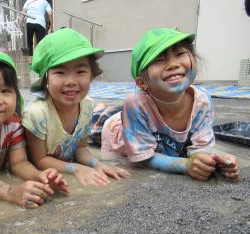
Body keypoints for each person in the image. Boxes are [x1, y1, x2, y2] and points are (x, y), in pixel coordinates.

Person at [101, 28, 239, 181]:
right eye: (159, 60)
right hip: (116, 130)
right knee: (93, 119)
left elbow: (200, 148)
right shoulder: (135, 104)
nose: (173, 64)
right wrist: (185, 165)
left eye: (180, 54)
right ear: (142, 83)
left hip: (142, 126)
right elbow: (143, 157)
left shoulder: (203, 101)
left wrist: (210, 162)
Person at [22, 28, 130, 187]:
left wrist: (97, 164)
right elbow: (39, 160)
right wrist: (77, 169)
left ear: (92, 75)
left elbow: (80, 149)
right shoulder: (37, 114)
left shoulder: (87, 105)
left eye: (80, 71)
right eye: (60, 72)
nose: (71, 81)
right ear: (46, 78)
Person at [0, 47, 69, 209]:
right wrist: (11, 193)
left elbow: (19, 163)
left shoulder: (13, 124)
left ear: (17, 94)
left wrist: (41, 177)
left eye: (5, 91)